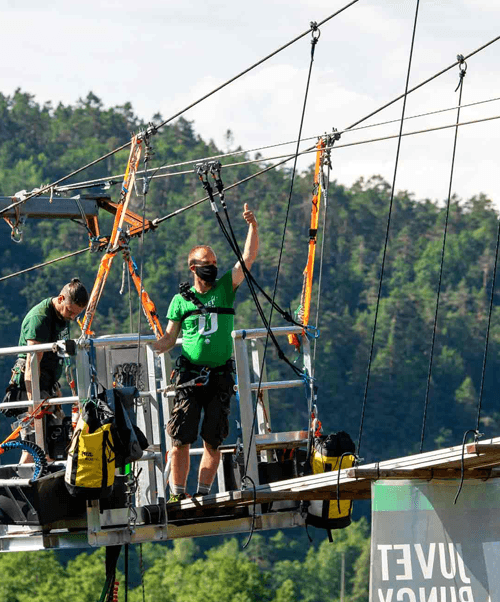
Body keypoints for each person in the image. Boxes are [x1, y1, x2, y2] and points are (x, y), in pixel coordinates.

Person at [154, 203, 259, 502]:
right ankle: (178, 494)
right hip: (189, 376)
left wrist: (253, 226)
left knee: (214, 439)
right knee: (180, 438)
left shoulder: (225, 287)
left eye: (213, 261)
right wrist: (150, 347)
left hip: (220, 375)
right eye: (206, 262)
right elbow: (169, 338)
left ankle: (201, 494)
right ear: (193, 267)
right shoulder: (180, 301)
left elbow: (248, 258)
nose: (212, 265)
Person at [2, 278, 89, 461]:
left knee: (54, 441)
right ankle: (23, 485)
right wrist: (33, 404)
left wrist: (55, 391)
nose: (72, 317)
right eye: (71, 311)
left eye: (76, 314)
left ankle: (46, 484)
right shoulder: (40, 319)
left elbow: (54, 358)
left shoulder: (62, 315)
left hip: (47, 385)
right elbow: (31, 364)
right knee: (33, 445)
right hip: (29, 387)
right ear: (60, 298)